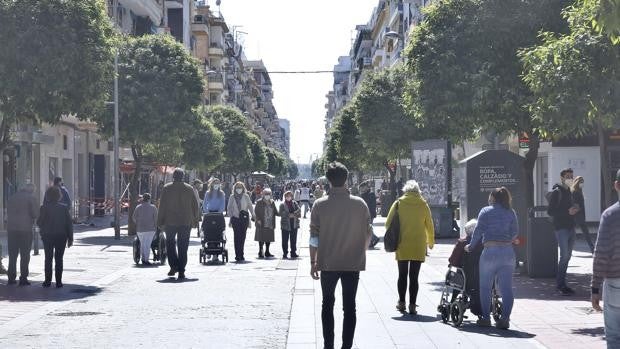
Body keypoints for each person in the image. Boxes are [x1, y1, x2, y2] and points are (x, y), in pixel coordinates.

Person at [310, 162, 371, 349]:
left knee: (327, 304)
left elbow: (314, 237)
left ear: (328, 180)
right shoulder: (360, 204)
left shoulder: (319, 205)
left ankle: (328, 345)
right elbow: (368, 233)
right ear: (346, 179)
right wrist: (361, 250)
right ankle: (346, 346)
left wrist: (313, 261)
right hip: (352, 262)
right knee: (350, 306)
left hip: (327, 262)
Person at [465, 187, 518, 329]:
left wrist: (470, 246)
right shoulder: (511, 212)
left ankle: (486, 318)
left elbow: (478, 231)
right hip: (508, 252)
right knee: (506, 289)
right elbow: (515, 232)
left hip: (490, 251)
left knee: (485, 287)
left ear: (493, 198)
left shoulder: (485, 211)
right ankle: (505, 319)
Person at [386, 180, 435, 315]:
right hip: (418, 244)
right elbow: (429, 225)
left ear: (405, 190)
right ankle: (412, 305)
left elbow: (388, 223)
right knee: (414, 276)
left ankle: (401, 302)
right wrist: (430, 242)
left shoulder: (398, 203)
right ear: (418, 191)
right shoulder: (423, 204)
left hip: (402, 243)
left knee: (402, 275)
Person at [591, 169, 620, 349]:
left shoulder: (610, 216)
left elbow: (601, 254)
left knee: (614, 337)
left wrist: (595, 288)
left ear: (617, 185)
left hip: (616, 283)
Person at [157, 168, 200, 280]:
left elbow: (162, 206)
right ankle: (181, 269)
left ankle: (174, 266)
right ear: (183, 177)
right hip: (185, 222)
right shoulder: (189, 189)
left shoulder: (167, 188)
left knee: (170, 244)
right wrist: (196, 221)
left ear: (173, 177)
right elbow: (195, 206)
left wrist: (159, 221)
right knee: (183, 246)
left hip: (170, 221)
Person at [547, 168, 579, 296]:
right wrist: (567, 212)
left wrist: (576, 208)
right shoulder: (557, 192)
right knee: (564, 256)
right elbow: (550, 211)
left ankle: (563, 284)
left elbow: (572, 207)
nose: (570, 178)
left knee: (567, 257)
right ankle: (560, 285)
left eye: (571, 176)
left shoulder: (571, 191)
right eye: (567, 176)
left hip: (571, 227)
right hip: (561, 228)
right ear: (562, 178)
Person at [37, 186, 73, 288]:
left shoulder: (44, 207)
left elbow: (39, 222)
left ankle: (47, 281)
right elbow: (69, 224)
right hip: (61, 236)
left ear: (48, 196)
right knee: (59, 259)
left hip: (47, 236)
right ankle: (58, 282)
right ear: (59, 196)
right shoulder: (64, 208)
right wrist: (70, 238)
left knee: (48, 258)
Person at [448, 219, 483, 317]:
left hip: (464, 276)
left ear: (467, 231)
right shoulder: (483, 243)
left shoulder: (462, 242)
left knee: (457, 279)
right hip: (479, 277)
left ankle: (452, 301)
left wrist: (451, 263)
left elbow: (454, 259)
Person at [6, 184, 39, 286]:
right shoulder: (31, 198)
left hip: (11, 229)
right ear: (32, 190)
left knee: (12, 255)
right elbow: (35, 214)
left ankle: (11, 278)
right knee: (25, 255)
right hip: (25, 230)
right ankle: (23, 278)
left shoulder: (12, 197)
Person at [227, 182, 255, 262]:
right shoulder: (232, 197)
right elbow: (228, 208)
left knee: (242, 237)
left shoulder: (246, 196)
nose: (239, 189)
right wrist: (231, 216)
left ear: (243, 188)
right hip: (235, 219)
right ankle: (237, 255)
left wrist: (253, 215)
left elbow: (250, 206)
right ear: (235, 189)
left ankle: (241, 254)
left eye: (240, 187)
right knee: (237, 237)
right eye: (237, 187)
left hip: (244, 219)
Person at [203, 178, 226, 262]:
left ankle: (216, 254)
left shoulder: (222, 194)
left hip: (218, 214)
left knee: (218, 231)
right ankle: (209, 249)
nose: (216, 185)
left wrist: (220, 211)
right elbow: (205, 204)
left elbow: (223, 204)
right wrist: (206, 211)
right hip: (209, 214)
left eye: (217, 183)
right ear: (212, 184)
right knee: (208, 231)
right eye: (215, 183)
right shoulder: (208, 193)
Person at [132, 193, 158, 265]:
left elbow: (133, 217)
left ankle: (143, 258)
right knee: (147, 245)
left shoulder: (138, 207)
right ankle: (145, 259)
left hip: (140, 229)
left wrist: (138, 223)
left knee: (143, 244)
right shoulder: (153, 207)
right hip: (150, 229)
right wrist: (156, 228)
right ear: (149, 199)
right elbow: (156, 219)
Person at [571, 176, 595, 254]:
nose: (582, 183)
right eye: (581, 182)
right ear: (577, 182)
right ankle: (592, 248)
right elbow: (576, 204)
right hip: (577, 215)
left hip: (580, 215)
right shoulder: (575, 192)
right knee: (584, 233)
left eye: (583, 182)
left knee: (581, 233)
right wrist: (578, 209)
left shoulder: (579, 191)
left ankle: (592, 248)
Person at [254, 188, 278, 259]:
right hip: (261, 222)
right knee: (261, 237)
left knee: (268, 238)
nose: (267, 195)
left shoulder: (272, 202)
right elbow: (256, 212)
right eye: (266, 194)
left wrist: (283, 213)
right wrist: (257, 219)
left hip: (270, 223)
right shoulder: (259, 202)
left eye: (268, 194)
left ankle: (267, 251)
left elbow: (276, 212)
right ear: (263, 194)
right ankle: (260, 251)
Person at [279, 191, 301, 259]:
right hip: (285, 224)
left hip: (294, 223)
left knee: (293, 239)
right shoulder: (282, 204)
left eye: (290, 196)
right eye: (287, 196)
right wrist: (288, 215)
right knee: (285, 239)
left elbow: (299, 210)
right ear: (285, 197)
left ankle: (293, 252)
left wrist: (293, 214)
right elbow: (280, 213)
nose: (289, 197)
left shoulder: (294, 203)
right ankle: (285, 253)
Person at [360, 182, 379, 248]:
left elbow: (370, 205)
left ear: (366, 187)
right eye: (361, 188)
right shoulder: (364, 194)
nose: (361, 189)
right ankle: (372, 240)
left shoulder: (370, 194)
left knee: (367, 228)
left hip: (369, 213)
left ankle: (374, 238)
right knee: (367, 228)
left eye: (363, 187)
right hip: (366, 213)